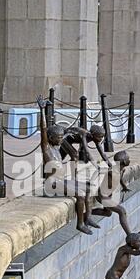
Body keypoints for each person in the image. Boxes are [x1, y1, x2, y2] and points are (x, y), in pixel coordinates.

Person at [37, 96, 99, 235]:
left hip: (61, 181)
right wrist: (42, 110)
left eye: (61, 137)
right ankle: (80, 223)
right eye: (58, 138)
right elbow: (43, 130)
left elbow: (66, 131)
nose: (61, 140)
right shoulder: (47, 149)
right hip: (51, 185)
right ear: (51, 138)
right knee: (81, 194)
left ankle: (88, 217)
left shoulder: (58, 149)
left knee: (88, 188)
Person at [92, 150, 132, 235]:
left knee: (107, 213)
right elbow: (98, 171)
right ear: (124, 161)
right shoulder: (112, 171)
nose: (129, 160)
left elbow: (120, 178)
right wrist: (91, 181)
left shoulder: (121, 170)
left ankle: (86, 214)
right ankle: (129, 235)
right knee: (122, 211)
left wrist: (124, 187)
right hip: (102, 196)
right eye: (128, 158)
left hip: (108, 195)